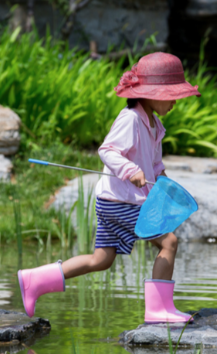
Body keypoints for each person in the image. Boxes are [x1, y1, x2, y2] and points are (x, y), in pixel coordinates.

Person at [18, 52, 200, 323]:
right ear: (150, 94)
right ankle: (158, 311)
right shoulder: (131, 119)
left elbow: (155, 163)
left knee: (101, 260)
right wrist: (130, 170)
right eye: (171, 95)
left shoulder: (154, 124)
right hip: (121, 201)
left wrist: (162, 181)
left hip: (115, 200)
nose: (175, 101)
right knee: (169, 242)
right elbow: (108, 151)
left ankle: (35, 280)